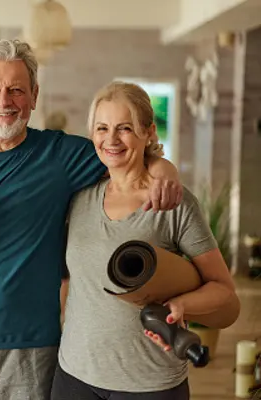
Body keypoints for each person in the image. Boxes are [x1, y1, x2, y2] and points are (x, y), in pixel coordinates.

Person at [0, 39, 183, 400]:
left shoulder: (61, 155)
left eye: (16, 90)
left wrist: (165, 169)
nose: (4, 102)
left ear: (34, 95)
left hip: (32, 346)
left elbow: (125, 154)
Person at [50, 81, 239, 399]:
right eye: (102, 128)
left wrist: (181, 305)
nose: (110, 139)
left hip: (150, 383)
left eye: (124, 128)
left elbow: (223, 289)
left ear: (149, 132)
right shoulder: (79, 195)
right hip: (75, 376)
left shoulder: (174, 202)